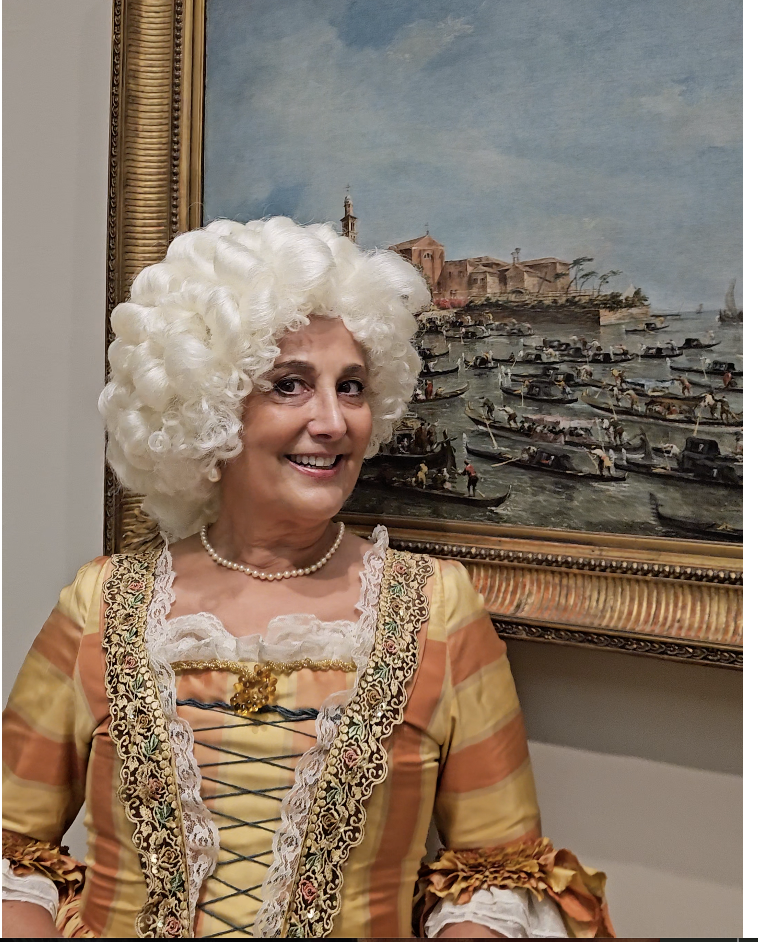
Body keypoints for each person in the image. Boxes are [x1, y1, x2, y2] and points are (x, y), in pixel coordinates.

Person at [3, 217, 612, 940]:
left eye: (351, 387)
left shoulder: (437, 611)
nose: (333, 421)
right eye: (291, 385)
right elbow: (15, 853)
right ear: (210, 410)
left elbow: (498, 871)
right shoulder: (100, 605)